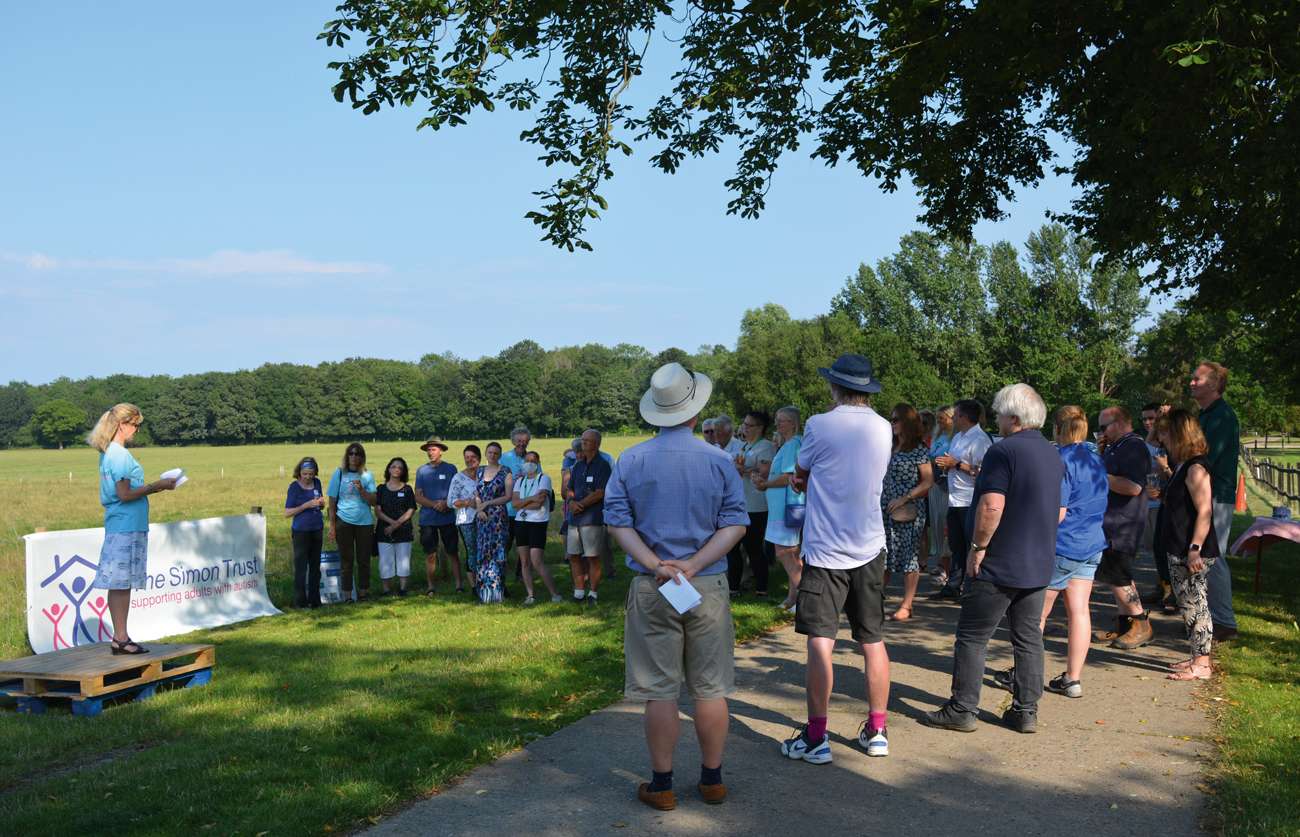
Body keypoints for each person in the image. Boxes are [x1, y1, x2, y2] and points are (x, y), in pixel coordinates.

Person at [604, 362, 748, 810]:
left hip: (653, 584)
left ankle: (662, 785)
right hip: (705, 582)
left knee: (660, 689)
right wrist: (693, 562)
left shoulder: (631, 459)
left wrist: (655, 564)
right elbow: (735, 523)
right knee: (709, 687)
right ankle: (712, 780)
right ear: (693, 410)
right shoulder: (719, 460)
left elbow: (617, 521)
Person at [923, 384, 1064, 734]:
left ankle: (963, 707)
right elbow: (1059, 509)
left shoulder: (1003, 452)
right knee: (1028, 636)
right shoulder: (1052, 454)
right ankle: (1026, 710)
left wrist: (978, 547)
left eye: (1000, 413)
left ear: (1013, 417)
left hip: (1000, 560)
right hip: (1038, 559)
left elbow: (991, 505)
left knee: (973, 636)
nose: (997, 419)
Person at [782, 353, 893, 763]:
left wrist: (803, 479)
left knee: (820, 643)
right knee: (873, 641)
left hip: (826, 549)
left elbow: (801, 469)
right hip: (868, 545)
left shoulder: (819, 424)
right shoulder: (883, 427)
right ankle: (878, 730)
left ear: (835, 387)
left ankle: (816, 737)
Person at [993, 406, 1107, 699]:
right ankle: (1073, 678)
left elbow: (1056, 512)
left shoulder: (1061, 460)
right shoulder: (1095, 458)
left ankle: (1022, 674)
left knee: (1035, 615)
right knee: (1079, 611)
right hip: (1091, 541)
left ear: (1057, 429)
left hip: (1063, 543)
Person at [89, 403, 178, 654]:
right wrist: (155, 486)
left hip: (124, 525)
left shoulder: (110, 453)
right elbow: (125, 494)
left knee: (121, 584)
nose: (137, 430)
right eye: (135, 425)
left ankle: (121, 636)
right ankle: (121, 637)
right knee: (120, 584)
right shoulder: (119, 455)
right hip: (125, 526)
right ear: (122, 424)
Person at [1155, 410, 1221, 680]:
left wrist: (1195, 548)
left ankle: (1202, 664)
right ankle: (1197, 655)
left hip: (1192, 550)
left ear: (1180, 435)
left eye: (1167, 433)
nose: (1162, 439)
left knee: (1196, 604)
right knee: (1187, 604)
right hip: (1179, 545)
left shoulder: (1196, 467)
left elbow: (1204, 511)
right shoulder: (1182, 464)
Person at [1091, 406, 1154, 649]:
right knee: (1114, 573)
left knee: (1118, 574)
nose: (1101, 432)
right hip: (1112, 519)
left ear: (1118, 423)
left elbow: (1133, 487)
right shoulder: (1117, 445)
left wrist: (1097, 475)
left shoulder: (1133, 446)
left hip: (1124, 521)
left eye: (1104, 426)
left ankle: (1141, 623)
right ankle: (1124, 624)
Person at [1190, 361, 1240, 643]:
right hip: (1204, 492)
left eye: (1197, 379)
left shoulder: (1222, 416)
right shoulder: (1206, 414)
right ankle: (1210, 616)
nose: (1192, 382)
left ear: (1213, 384)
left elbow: (1207, 456)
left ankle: (1224, 622)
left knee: (1213, 555)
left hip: (1216, 495)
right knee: (1207, 555)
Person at [930, 400, 992, 599]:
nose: (953, 418)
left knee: (969, 546)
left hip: (970, 499)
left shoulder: (981, 440)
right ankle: (953, 585)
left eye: (955, 414)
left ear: (964, 417)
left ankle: (971, 587)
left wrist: (956, 465)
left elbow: (983, 472)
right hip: (954, 498)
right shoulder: (957, 437)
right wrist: (947, 465)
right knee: (956, 545)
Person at [882, 404, 934, 622]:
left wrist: (905, 498)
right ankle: (874, 598)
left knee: (908, 556)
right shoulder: (888, 446)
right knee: (883, 554)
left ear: (907, 422)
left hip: (908, 509)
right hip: (884, 507)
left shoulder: (918, 449)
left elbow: (928, 481)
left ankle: (907, 604)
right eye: (891, 419)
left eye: (896, 419)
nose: (892, 423)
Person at [753, 406, 803, 612]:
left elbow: (787, 476)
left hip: (785, 508)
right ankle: (792, 598)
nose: (777, 424)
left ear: (792, 422)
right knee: (793, 554)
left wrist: (765, 484)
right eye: (776, 420)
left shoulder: (792, 444)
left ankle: (805, 598)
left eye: (781, 420)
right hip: (786, 507)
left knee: (784, 553)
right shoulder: (789, 444)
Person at [731, 411, 775, 597]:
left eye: (749, 425)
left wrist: (744, 469)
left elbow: (765, 471)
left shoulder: (765, 447)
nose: (745, 428)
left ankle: (761, 588)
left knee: (753, 548)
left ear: (760, 428)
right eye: (744, 424)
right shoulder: (744, 446)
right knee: (732, 548)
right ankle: (733, 587)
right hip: (740, 504)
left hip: (756, 505)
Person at [567, 429, 613, 604]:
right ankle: (579, 592)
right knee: (574, 555)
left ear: (597, 444)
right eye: (582, 440)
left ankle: (593, 593)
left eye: (587, 440)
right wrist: (571, 502)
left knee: (592, 557)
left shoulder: (603, 466)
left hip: (592, 519)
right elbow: (569, 489)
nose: (583, 443)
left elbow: (600, 492)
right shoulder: (578, 465)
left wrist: (581, 504)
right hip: (574, 520)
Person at [328, 443, 378, 602]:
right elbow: (332, 501)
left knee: (364, 560)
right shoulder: (339, 474)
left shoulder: (367, 475)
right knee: (346, 561)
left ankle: (363, 593)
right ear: (347, 456)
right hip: (343, 521)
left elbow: (374, 501)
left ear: (362, 457)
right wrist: (332, 526)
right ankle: (347, 595)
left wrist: (362, 490)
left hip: (364, 523)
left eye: (357, 454)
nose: (354, 457)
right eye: (351, 453)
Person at [414, 436, 462, 595]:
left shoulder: (451, 469)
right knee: (430, 554)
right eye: (428, 449)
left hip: (447, 517)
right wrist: (435, 504)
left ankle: (459, 585)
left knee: (452, 552)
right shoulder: (422, 471)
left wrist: (446, 503)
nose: (430, 452)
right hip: (428, 519)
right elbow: (418, 496)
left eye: (433, 449)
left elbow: (456, 491)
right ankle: (431, 587)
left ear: (441, 450)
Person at [512, 450, 561, 604]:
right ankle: (530, 595)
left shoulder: (544, 479)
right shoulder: (520, 481)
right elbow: (514, 504)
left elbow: (539, 503)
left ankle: (555, 594)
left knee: (536, 560)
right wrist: (531, 498)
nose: (529, 464)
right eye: (527, 460)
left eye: (533, 461)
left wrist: (524, 502)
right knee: (524, 561)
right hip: (521, 522)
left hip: (538, 523)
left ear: (538, 463)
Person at [1140, 403, 1176, 612]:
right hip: (1154, 499)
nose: (1147, 423)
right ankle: (1162, 587)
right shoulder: (1153, 442)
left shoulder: (1168, 442)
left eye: (1152, 418)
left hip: (1165, 502)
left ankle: (1170, 592)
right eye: (1144, 419)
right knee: (1156, 549)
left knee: (1164, 549)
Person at [284, 456, 326, 608]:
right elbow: (287, 513)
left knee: (315, 567)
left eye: (311, 473)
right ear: (299, 472)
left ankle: (315, 601)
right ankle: (300, 602)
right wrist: (306, 505)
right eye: (305, 474)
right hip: (301, 532)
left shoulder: (317, 483)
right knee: (301, 568)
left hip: (317, 529)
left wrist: (321, 504)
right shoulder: (294, 487)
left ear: (315, 472)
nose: (308, 477)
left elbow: (320, 503)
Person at [473, 442, 513, 604]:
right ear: (485, 453)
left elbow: (508, 496)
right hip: (482, 517)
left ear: (500, 454)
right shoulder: (480, 471)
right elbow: (476, 493)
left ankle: (496, 592)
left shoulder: (505, 472)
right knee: (483, 551)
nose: (492, 455)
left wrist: (488, 504)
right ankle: (483, 591)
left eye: (496, 453)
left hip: (497, 517)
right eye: (490, 452)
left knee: (497, 551)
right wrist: (479, 509)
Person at [374, 457, 417, 596]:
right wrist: (392, 524)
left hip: (403, 530)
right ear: (388, 469)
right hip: (384, 531)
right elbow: (378, 511)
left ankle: (403, 588)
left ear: (403, 471)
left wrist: (397, 524)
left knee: (403, 559)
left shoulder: (407, 489)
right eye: (393, 466)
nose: (396, 469)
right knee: (385, 560)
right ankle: (386, 589)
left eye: (400, 467)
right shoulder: (381, 489)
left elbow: (411, 509)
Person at [447, 445, 482, 594]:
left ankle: (486, 580)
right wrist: (468, 502)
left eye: (472, 457)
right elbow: (450, 501)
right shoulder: (458, 478)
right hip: (466, 520)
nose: (469, 460)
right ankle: (474, 585)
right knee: (472, 550)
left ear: (479, 458)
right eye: (466, 457)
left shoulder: (485, 474)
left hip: (485, 518)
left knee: (484, 549)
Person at [927, 406, 954, 584]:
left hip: (947, 485)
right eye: (938, 419)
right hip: (934, 484)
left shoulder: (956, 438)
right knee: (936, 523)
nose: (939, 422)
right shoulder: (938, 436)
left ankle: (947, 567)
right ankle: (939, 561)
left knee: (946, 524)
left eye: (943, 418)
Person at [500, 426, 531, 560]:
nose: (521, 444)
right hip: (508, 508)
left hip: (527, 507)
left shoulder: (532, 458)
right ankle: (501, 568)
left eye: (524, 441)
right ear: (513, 441)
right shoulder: (504, 457)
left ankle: (521, 572)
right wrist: (513, 480)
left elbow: (539, 478)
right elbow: (498, 480)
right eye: (519, 441)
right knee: (506, 541)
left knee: (524, 543)